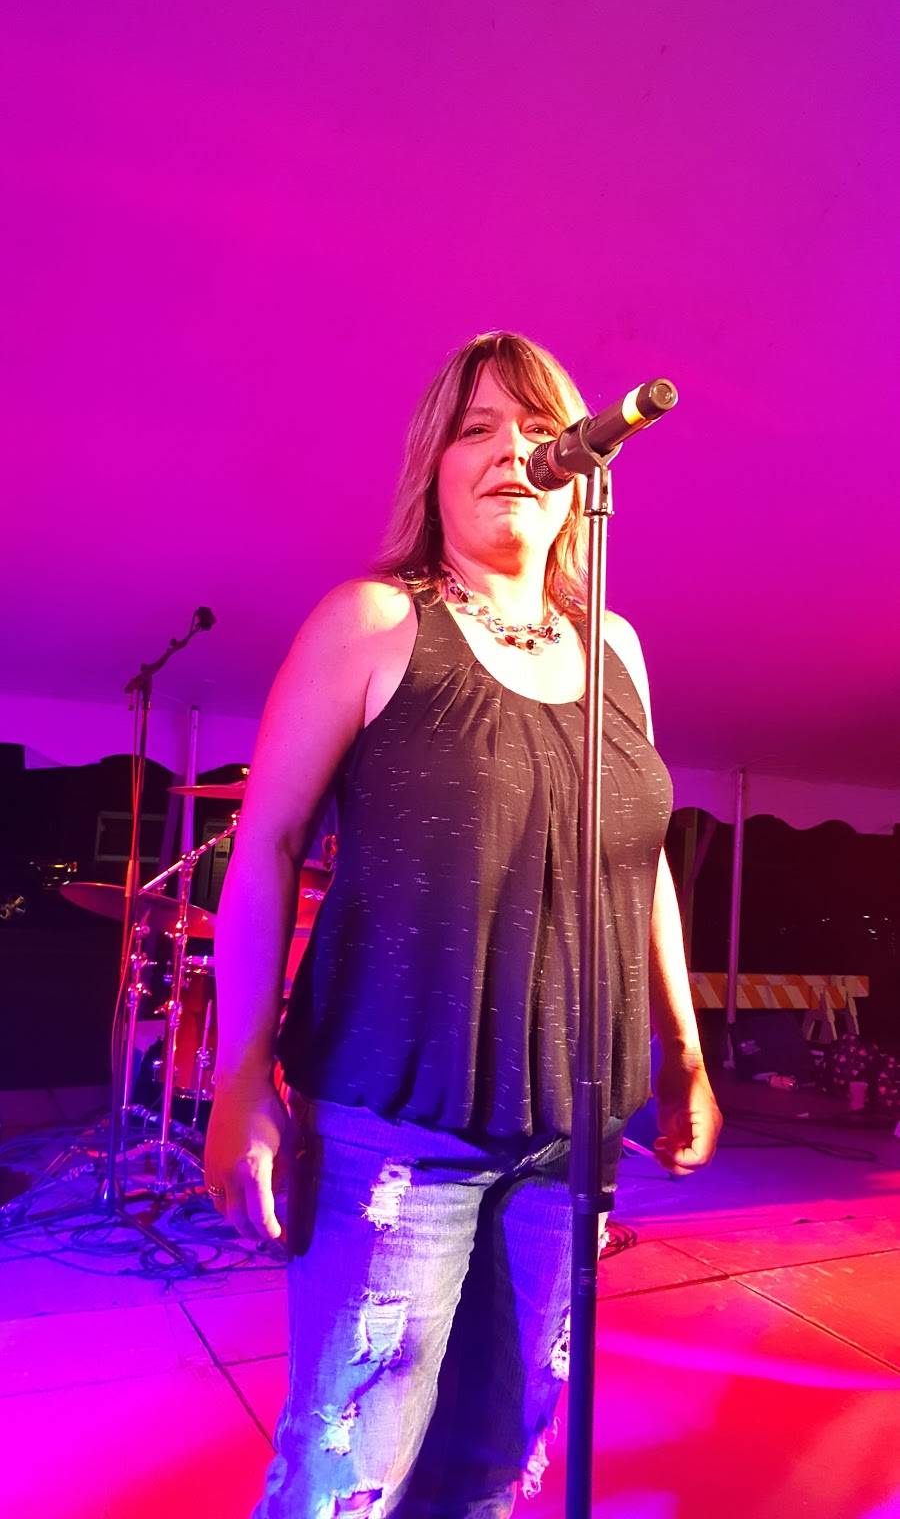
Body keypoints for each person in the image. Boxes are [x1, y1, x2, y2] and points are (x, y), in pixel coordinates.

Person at [204, 331, 722, 1518]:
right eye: (476, 430)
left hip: (570, 1131)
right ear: (431, 468)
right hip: (398, 1126)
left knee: (498, 1453)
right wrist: (239, 1075)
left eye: (538, 430)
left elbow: (638, 863)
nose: (511, 453)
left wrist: (684, 1052)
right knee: (351, 1470)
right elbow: (267, 845)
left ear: (582, 468)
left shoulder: (617, 649)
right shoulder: (374, 622)